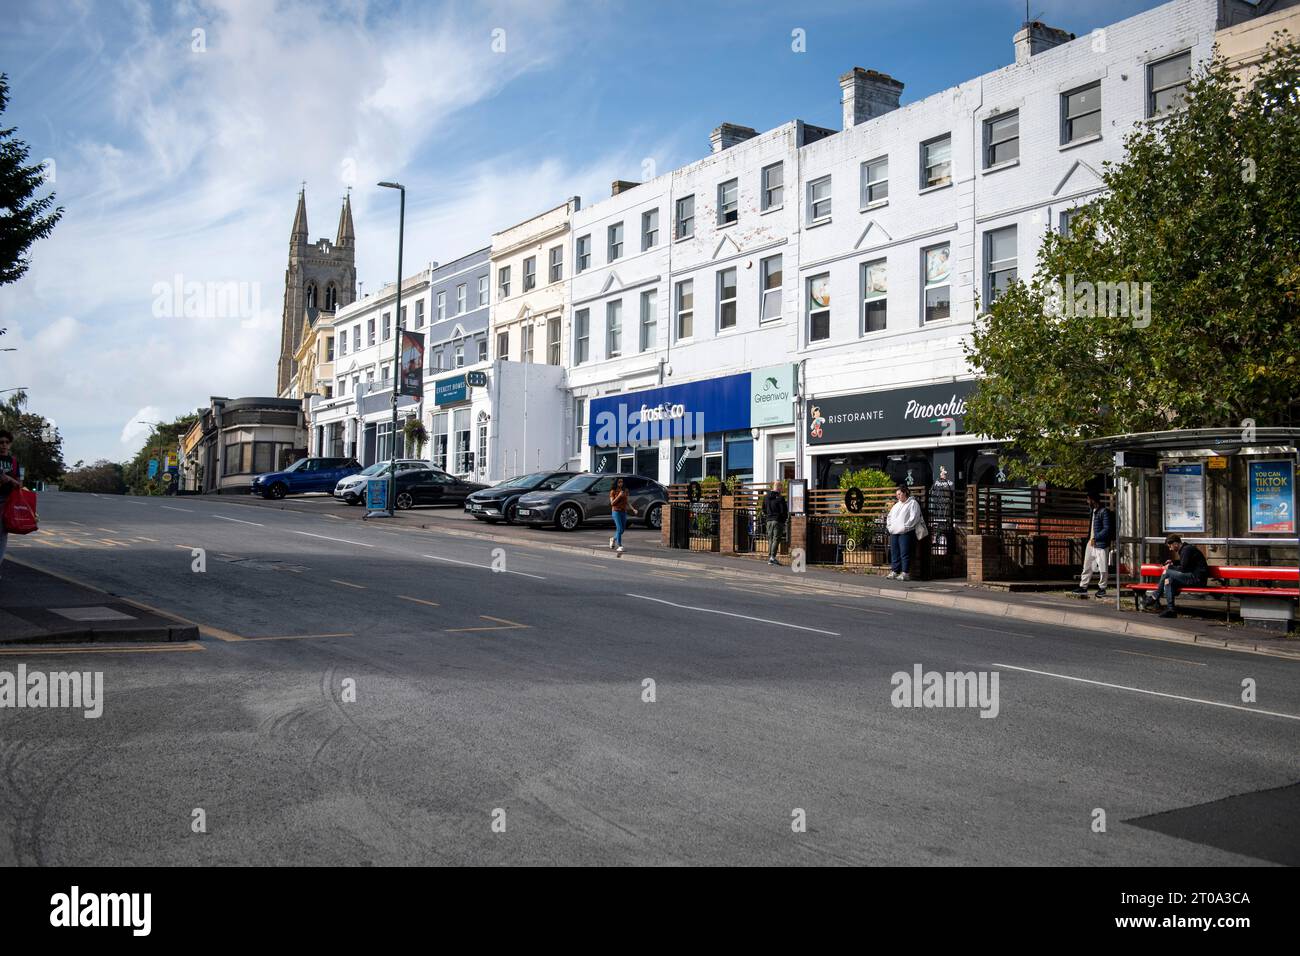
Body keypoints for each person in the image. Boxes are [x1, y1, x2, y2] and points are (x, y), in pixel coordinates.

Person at [1144, 533, 1208, 618]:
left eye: (1170, 546)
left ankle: (1155, 596)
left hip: (1197, 579)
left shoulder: (1187, 549)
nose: (1170, 549)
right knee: (1168, 581)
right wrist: (1173, 562)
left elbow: (1183, 569)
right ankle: (1171, 610)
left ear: (1175, 543)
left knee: (1167, 572)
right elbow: (1185, 564)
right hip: (1191, 577)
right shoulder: (1185, 550)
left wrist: (1170, 567)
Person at [1071, 492, 1114, 599]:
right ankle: (1083, 586)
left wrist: (1096, 538)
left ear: (1093, 500)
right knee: (1087, 565)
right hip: (1091, 543)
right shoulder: (1093, 511)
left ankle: (1102, 588)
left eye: (1088, 499)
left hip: (1101, 544)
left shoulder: (1104, 512)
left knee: (1102, 568)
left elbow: (1107, 529)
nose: (1087, 502)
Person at [885, 485, 923, 581]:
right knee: (895, 552)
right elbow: (889, 517)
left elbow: (914, 517)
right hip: (894, 532)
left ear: (905, 492)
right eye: (897, 494)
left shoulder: (912, 503)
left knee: (904, 553)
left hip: (905, 533)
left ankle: (905, 572)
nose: (898, 496)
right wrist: (890, 527)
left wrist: (906, 527)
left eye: (899, 494)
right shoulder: (896, 505)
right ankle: (895, 571)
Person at [0, 430, 21, 580]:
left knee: (2, 536)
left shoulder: (13, 462)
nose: (4, 445)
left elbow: (19, 483)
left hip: (6, 501)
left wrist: (11, 480)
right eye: (1, 442)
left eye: (7, 442)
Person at [608, 477, 636, 555]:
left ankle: (613, 539)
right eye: (619, 482)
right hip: (616, 511)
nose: (621, 483)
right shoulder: (612, 492)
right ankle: (619, 546)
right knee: (619, 528)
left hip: (623, 512)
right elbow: (612, 503)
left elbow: (627, 502)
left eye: (622, 482)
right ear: (616, 483)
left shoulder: (625, 491)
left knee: (622, 530)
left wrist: (633, 509)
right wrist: (619, 496)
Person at [762, 486, 789, 566]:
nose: (781, 490)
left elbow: (763, 509)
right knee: (776, 539)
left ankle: (770, 557)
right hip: (778, 521)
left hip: (769, 521)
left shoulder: (766, 497)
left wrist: (768, 515)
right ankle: (772, 558)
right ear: (779, 489)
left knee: (770, 539)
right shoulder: (780, 498)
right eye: (781, 489)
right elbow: (783, 511)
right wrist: (784, 520)